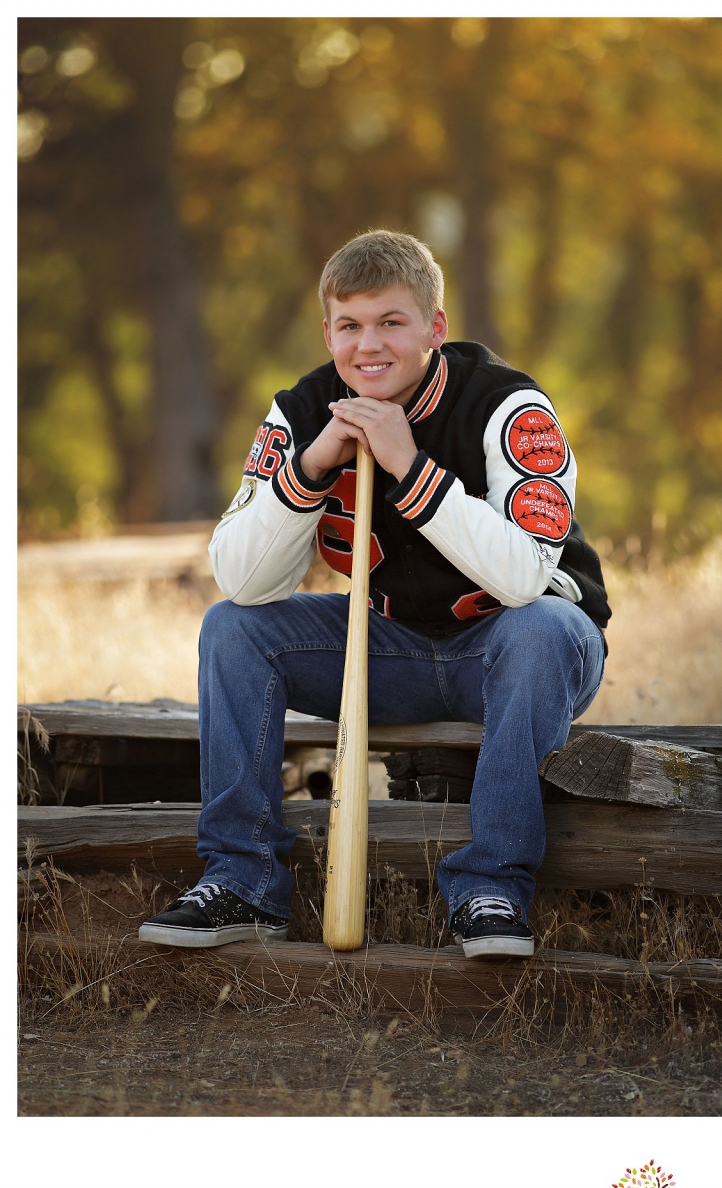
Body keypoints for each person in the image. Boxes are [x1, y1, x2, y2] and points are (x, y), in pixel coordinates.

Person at [138, 230, 611, 959]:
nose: (369, 346)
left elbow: (521, 579)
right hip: (390, 649)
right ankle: (244, 878)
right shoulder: (300, 411)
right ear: (328, 331)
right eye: (350, 325)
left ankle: (491, 887)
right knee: (233, 628)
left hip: (516, 652)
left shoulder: (510, 407)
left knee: (543, 626)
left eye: (392, 322)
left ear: (435, 328)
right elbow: (244, 579)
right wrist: (311, 468)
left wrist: (408, 465)